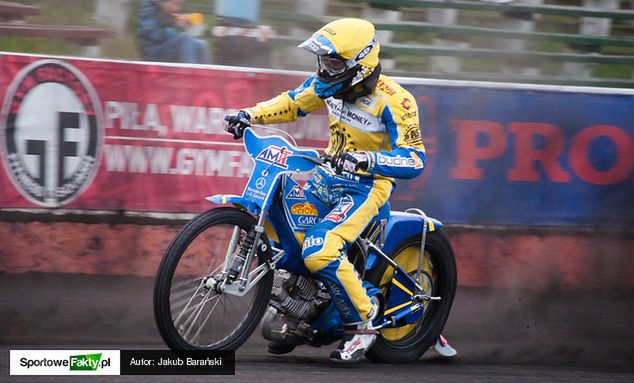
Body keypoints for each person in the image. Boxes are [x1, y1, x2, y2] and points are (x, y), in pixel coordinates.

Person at [224, 18, 426, 363]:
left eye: (334, 62)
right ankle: (302, 309)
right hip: (326, 178)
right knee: (283, 230)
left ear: (358, 64)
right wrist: (249, 115)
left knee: (319, 250)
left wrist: (366, 160)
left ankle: (364, 324)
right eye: (325, 61)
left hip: (367, 187)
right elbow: (293, 103)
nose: (326, 68)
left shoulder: (396, 101)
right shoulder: (327, 85)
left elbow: (415, 159)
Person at [137, 0, 211, 64]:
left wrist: (181, 25)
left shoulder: (167, 13)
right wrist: (178, 27)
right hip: (152, 53)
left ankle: (208, 77)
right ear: (165, 2)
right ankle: (190, 74)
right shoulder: (148, 11)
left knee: (201, 44)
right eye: (176, 3)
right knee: (185, 38)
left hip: (164, 48)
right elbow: (154, 34)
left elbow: (177, 38)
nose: (178, 8)